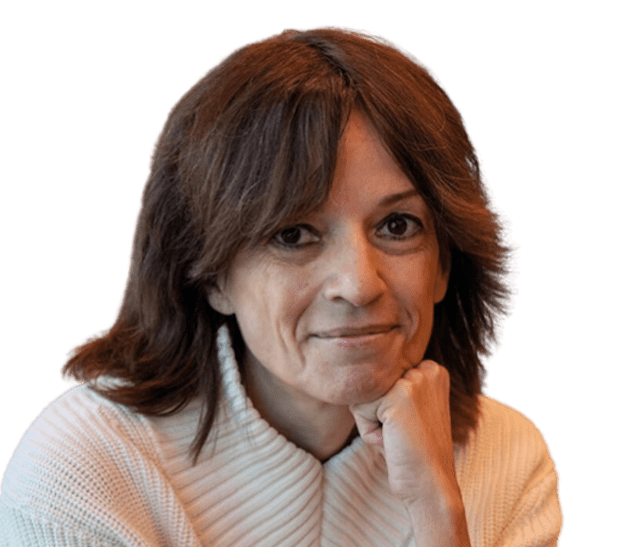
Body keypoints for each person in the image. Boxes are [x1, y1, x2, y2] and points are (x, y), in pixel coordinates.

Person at [0, 25, 563, 546]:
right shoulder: (82, 467)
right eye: (293, 235)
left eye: (397, 226)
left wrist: (438, 510)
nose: (358, 285)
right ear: (213, 275)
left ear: (443, 264)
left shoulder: (507, 460)